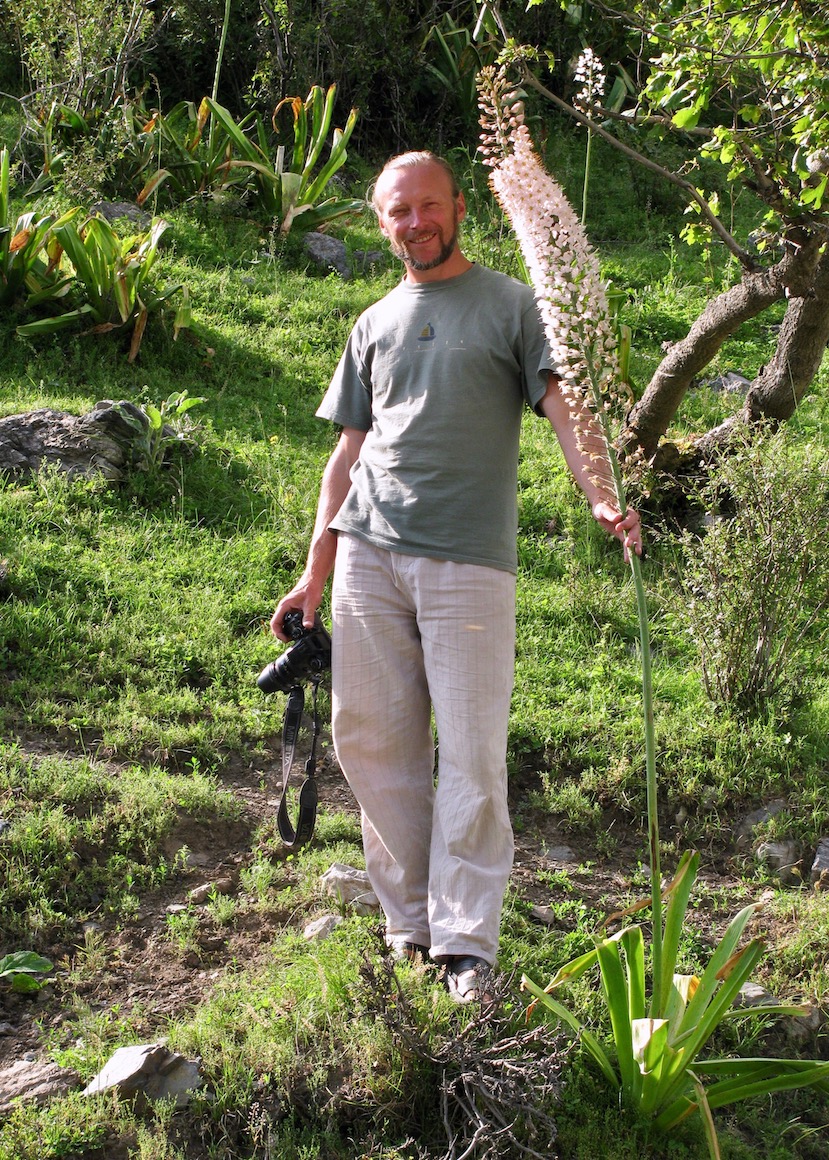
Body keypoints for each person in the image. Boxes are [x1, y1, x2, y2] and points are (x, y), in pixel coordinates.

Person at [271, 151, 641, 1003]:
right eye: (399, 212)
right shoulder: (372, 322)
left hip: (468, 562)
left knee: (471, 751)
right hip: (368, 554)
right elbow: (345, 457)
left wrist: (600, 495)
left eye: (429, 206)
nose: (416, 223)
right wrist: (313, 574)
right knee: (370, 741)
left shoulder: (514, 305)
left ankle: (466, 943)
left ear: (459, 208)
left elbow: (565, 407)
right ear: (382, 222)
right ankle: (408, 925)